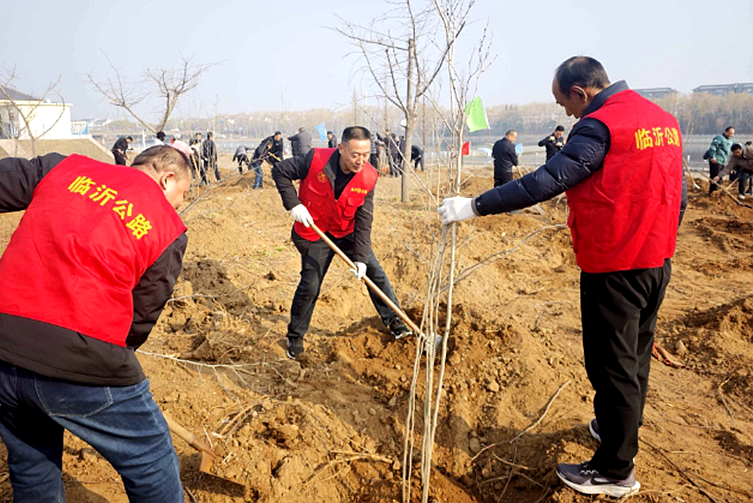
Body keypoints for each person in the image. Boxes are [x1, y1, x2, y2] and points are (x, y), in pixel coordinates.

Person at [438, 56, 687, 498]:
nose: (566, 114)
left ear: (581, 93)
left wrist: (474, 206)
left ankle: (614, 470)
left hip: (615, 264)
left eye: (563, 103)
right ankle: (619, 428)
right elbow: (678, 191)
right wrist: (661, 238)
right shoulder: (661, 119)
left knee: (611, 366)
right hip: (655, 259)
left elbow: (549, 179)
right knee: (636, 354)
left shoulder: (601, 125)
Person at [0, 145, 192, 502]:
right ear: (167, 177)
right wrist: (110, 365)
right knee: (151, 459)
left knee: (31, 461)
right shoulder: (168, 226)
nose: (178, 205)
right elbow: (141, 316)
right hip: (80, 359)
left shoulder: (63, 168)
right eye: (182, 195)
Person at [272, 126, 412, 360]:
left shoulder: (369, 176)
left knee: (375, 273)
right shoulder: (315, 159)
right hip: (314, 231)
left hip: (346, 231)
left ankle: (396, 322)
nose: (361, 160)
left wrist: (360, 258)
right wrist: (294, 204)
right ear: (341, 148)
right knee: (310, 284)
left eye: (366, 155)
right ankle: (295, 337)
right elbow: (280, 171)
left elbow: (364, 219)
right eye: (355, 154)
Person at [706, 126, 734, 194]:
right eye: (730, 133)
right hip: (716, 160)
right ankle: (713, 191)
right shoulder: (719, 138)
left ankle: (718, 190)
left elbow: (738, 146)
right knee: (715, 176)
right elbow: (713, 147)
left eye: (733, 133)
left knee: (720, 176)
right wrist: (712, 156)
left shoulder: (731, 140)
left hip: (723, 161)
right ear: (726, 132)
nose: (731, 135)